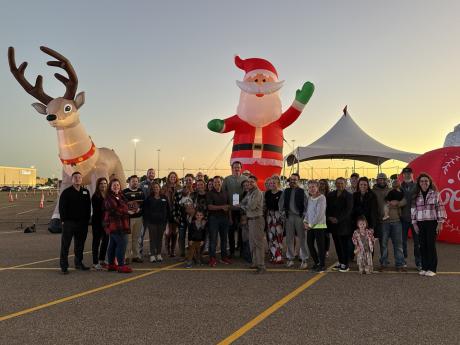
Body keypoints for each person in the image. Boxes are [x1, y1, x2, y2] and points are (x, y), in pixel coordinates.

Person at [411, 173, 446, 277]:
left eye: (426, 181)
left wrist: (440, 223)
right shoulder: (415, 195)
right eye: (422, 181)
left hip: (432, 223)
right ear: (419, 183)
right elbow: (413, 211)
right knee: (422, 246)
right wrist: (414, 224)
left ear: (430, 182)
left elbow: (440, 207)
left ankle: (432, 269)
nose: (424, 183)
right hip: (420, 223)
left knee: (430, 245)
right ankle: (424, 267)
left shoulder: (435, 194)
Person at [59, 171, 91, 274]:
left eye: (79, 177)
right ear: (72, 180)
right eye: (75, 177)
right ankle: (64, 266)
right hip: (69, 223)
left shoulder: (86, 192)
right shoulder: (66, 192)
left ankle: (78, 263)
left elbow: (88, 208)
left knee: (80, 245)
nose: (77, 179)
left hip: (82, 224)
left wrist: (86, 221)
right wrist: (63, 220)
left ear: (82, 179)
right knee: (65, 245)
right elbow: (62, 207)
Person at [279, 173, 309, 269]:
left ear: (298, 181)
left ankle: (304, 259)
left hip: (299, 217)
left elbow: (306, 205)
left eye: (295, 179)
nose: (293, 181)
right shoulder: (286, 191)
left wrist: (304, 217)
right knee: (289, 239)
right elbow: (281, 204)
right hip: (289, 217)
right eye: (291, 179)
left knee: (302, 238)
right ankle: (290, 258)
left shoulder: (302, 191)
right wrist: (283, 214)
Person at [103, 178, 132, 273]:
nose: (116, 186)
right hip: (115, 225)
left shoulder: (121, 195)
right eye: (114, 185)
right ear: (110, 187)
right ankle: (120, 265)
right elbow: (114, 210)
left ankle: (111, 264)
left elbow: (125, 206)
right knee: (122, 244)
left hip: (121, 224)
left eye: (118, 185)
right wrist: (127, 211)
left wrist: (130, 209)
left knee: (113, 244)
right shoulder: (109, 197)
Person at [239, 175, 266, 274]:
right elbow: (243, 202)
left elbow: (252, 206)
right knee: (252, 243)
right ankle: (255, 262)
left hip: (257, 219)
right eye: (248, 182)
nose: (249, 184)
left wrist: (244, 206)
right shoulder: (250, 193)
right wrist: (245, 205)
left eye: (252, 182)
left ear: (256, 182)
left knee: (258, 243)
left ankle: (261, 265)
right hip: (250, 220)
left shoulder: (258, 193)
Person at [378, 179, 406, 272]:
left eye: (397, 182)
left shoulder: (401, 192)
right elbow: (384, 201)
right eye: (394, 182)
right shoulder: (386, 191)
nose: (395, 184)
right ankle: (384, 263)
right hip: (384, 222)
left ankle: (400, 264)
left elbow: (405, 201)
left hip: (397, 221)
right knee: (383, 244)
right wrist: (389, 203)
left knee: (398, 244)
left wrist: (397, 203)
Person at [326, 177, 353, 272]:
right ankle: (341, 262)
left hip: (344, 225)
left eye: (342, 183)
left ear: (345, 184)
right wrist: (329, 217)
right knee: (337, 245)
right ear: (335, 184)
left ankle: (345, 264)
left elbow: (348, 210)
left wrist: (338, 219)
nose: (340, 185)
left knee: (344, 245)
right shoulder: (331, 195)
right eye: (338, 183)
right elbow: (327, 208)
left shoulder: (349, 196)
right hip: (333, 225)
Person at [223, 161, 247, 258]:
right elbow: (224, 194)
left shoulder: (245, 179)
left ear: (241, 168)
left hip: (242, 210)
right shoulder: (227, 179)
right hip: (231, 210)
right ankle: (232, 251)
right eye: (235, 167)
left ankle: (241, 250)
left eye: (238, 167)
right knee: (231, 231)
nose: (236, 169)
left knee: (242, 231)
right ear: (232, 168)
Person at [206, 176, 231, 267]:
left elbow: (228, 206)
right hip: (214, 219)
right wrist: (222, 207)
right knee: (213, 240)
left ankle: (224, 257)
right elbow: (209, 207)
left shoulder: (226, 192)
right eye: (215, 182)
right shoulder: (209, 193)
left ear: (221, 182)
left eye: (218, 182)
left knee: (224, 239)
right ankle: (212, 258)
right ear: (213, 183)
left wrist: (230, 218)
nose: (217, 184)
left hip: (224, 219)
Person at [400, 167, 421, 270]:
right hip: (403, 218)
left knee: (417, 242)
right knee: (402, 241)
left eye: (409, 173)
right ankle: (403, 261)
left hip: (415, 219)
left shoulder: (418, 186)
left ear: (412, 174)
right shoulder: (399, 187)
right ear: (403, 175)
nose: (407, 175)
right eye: (405, 173)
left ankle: (419, 262)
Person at [143, 182, 170, 263]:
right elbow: (145, 210)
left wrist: (167, 220)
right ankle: (152, 255)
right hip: (152, 222)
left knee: (160, 238)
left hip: (162, 222)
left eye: (157, 187)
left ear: (159, 188)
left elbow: (168, 209)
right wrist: (148, 219)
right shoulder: (149, 198)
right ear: (152, 189)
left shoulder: (164, 197)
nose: (156, 188)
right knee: (152, 239)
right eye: (154, 187)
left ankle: (158, 254)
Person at [304, 180, 327, 272]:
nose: (311, 189)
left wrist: (311, 224)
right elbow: (308, 212)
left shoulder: (322, 198)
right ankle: (316, 262)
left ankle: (322, 264)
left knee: (320, 246)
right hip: (310, 226)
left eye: (313, 187)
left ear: (317, 187)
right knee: (309, 244)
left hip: (319, 226)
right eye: (310, 187)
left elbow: (319, 214)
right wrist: (305, 221)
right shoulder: (310, 198)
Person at [123, 175, 144, 263]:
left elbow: (143, 204)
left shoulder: (141, 192)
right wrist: (128, 211)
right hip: (129, 218)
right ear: (129, 182)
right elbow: (122, 205)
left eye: (136, 181)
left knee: (136, 237)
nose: (135, 183)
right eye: (133, 181)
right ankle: (127, 256)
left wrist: (139, 209)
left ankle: (136, 255)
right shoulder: (124, 192)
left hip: (138, 218)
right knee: (128, 238)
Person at [174, 173, 195, 258]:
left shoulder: (195, 193)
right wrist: (176, 217)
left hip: (192, 218)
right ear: (184, 181)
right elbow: (175, 205)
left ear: (193, 181)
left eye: (190, 180)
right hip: (182, 218)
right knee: (181, 236)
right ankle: (182, 253)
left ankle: (191, 253)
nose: (188, 181)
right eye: (186, 180)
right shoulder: (179, 192)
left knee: (192, 236)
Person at [265, 175, 284, 264]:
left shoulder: (281, 193)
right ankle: (274, 255)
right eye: (271, 183)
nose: (272, 184)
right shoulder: (267, 193)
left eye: (274, 183)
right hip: (269, 216)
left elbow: (283, 207)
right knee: (270, 236)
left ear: (278, 184)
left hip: (278, 216)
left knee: (278, 236)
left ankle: (279, 256)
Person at [372, 172, 390, 263]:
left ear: (386, 180)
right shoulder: (372, 191)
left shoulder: (390, 190)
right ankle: (369, 260)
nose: (382, 181)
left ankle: (384, 260)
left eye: (383, 179)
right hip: (374, 220)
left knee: (383, 242)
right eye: (380, 179)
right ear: (377, 180)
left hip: (385, 220)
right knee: (371, 241)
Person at [91, 177, 109, 270]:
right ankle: (95, 262)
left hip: (106, 223)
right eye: (101, 183)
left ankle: (102, 259)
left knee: (106, 241)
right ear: (98, 185)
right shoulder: (95, 196)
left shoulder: (108, 195)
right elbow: (98, 211)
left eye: (105, 183)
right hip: (97, 222)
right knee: (96, 242)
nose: (103, 185)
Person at [162, 172, 181, 257]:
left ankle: (173, 250)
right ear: (168, 178)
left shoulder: (179, 187)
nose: (173, 178)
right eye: (171, 177)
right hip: (167, 212)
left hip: (176, 212)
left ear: (176, 178)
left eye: (174, 177)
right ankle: (167, 249)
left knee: (175, 232)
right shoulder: (164, 187)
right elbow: (162, 197)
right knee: (168, 232)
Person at [139, 168, 156, 258]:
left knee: (152, 234)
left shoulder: (156, 185)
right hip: (144, 212)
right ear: (147, 174)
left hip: (153, 213)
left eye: (153, 173)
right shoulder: (141, 184)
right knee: (141, 233)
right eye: (150, 173)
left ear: (154, 174)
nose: (151, 174)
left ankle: (152, 251)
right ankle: (139, 251)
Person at [319, 179, 331, 257]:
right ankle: (320, 250)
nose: (322, 185)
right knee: (319, 235)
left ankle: (326, 250)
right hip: (318, 218)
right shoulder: (316, 194)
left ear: (326, 185)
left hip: (326, 217)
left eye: (323, 184)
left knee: (326, 235)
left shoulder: (329, 195)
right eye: (320, 183)